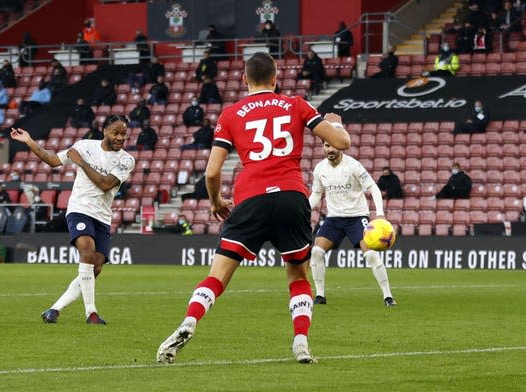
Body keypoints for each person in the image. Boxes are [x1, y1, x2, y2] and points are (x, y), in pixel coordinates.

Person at [156, 52, 351, 365]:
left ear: (244, 79)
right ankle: (301, 341)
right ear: (276, 78)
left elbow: (211, 172)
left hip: (251, 198)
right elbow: (341, 144)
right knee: (297, 274)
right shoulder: (296, 104)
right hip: (291, 195)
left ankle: (190, 320)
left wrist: (217, 201)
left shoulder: (231, 114)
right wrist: (336, 125)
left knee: (218, 274)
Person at [10, 114, 135, 325]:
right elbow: (52, 161)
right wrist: (29, 141)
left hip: (102, 216)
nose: (120, 137)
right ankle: (91, 313)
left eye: (124, 133)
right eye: (116, 132)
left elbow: (105, 184)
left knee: (95, 268)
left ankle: (55, 309)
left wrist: (82, 164)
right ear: (104, 130)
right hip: (79, 209)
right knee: (86, 252)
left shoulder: (126, 160)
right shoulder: (84, 146)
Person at [308, 142, 397, 307]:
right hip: (334, 218)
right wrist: (303, 209)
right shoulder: (320, 169)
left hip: (357, 217)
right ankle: (320, 295)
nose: (330, 149)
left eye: (333, 146)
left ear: (340, 146)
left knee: (370, 254)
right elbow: (316, 194)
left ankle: (388, 296)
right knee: (317, 252)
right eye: (327, 146)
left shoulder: (354, 166)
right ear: (323, 147)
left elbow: (374, 189)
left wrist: (380, 215)